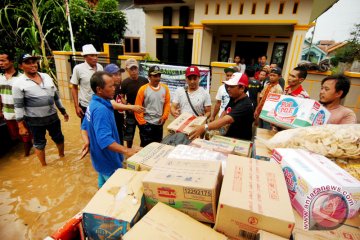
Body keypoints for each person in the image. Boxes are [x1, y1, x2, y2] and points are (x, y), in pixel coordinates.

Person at [81, 71, 140, 188]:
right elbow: (105, 140)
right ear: (99, 89)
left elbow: (84, 126)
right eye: (111, 86)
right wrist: (127, 150)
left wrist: (87, 142)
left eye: (114, 85)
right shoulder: (101, 110)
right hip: (109, 161)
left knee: (102, 188)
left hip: (99, 159)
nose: (115, 88)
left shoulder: (92, 104)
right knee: (116, 193)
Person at [13, 54, 69, 166]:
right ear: (20, 66)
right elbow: (18, 106)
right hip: (34, 120)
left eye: (34, 62)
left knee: (59, 137)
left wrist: (63, 111)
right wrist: (20, 125)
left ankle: (62, 157)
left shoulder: (46, 76)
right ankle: (44, 166)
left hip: (52, 116)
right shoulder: (18, 83)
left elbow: (56, 96)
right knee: (39, 143)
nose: (33, 65)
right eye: (28, 63)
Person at [189, 72, 254, 141]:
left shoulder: (245, 105)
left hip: (240, 142)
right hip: (229, 138)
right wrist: (211, 128)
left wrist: (204, 127)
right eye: (227, 86)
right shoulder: (234, 98)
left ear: (242, 88)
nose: (228, 89)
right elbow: (224, 113)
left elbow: (227, 119)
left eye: (232, 86)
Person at [0, 51, 33, 156]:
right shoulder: (0, 77)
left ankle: (27, 155)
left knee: (25, 136)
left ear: (11, 62)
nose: (0, 63)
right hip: (7, 113)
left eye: (3, 60)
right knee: (15, 135)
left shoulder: (21, 77)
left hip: (21, 113)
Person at [134, 65, 171, 147]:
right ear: (149, 77)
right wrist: (142, 124)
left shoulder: (165, 88)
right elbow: (137, 106)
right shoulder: (143, 89)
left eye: (159, 76)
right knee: (145, 148)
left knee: (157, 147)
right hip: (147, 123)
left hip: (159, 124)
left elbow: (167, 104)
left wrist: (164, 116)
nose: (157, 78)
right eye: (154, 76)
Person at [120, 58, 148, 148]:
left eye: (135, 68)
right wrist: (127, 105)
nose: (133, 71)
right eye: (131, 69)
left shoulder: (144, 81)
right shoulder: (125, 83)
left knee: (144, 136)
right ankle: (129, 151)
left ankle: (142, 152)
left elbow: (148, 95)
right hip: (130, 114)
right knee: (129, 137)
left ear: (138, 68)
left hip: (142, 113)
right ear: (127, 70)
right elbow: (121, 97)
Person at [70, 44, 103, 121]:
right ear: (85, 57)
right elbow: (74, 88)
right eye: (92, 55)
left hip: (100, 104)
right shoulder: (78, 68)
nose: (95, 58)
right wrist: (76, 107)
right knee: (87, 129)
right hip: (86, 105)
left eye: (96, 55)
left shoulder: (100, 67)